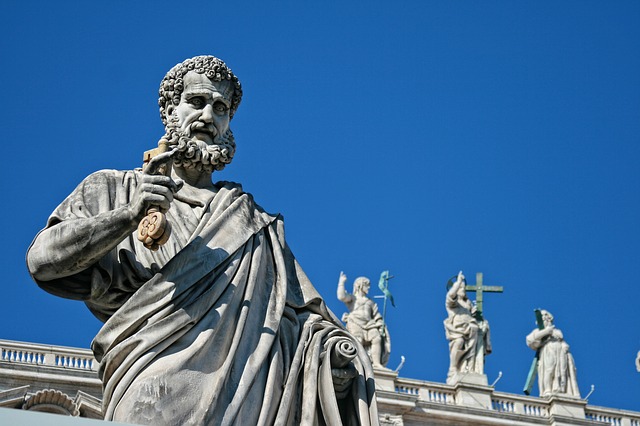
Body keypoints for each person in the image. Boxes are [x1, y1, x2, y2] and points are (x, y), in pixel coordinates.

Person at [27, 55, 378, 425]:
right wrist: (128, 216)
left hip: (248, 398)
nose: (209, 117)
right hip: (150, 388)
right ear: (169, 111)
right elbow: (42, 260)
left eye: (221, 108)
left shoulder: (254, 224)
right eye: (197, 102)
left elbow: (302, 323)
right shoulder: (115, 187)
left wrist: (332, 357)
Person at [337, 272, 390, 369]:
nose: (369, 288)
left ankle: (376, 363)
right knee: (358, 340)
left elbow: (376, 315)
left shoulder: (370, 302)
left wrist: (380, 322)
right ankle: (357, 363)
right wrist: (341, 282)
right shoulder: (353, 298)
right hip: (355, 322)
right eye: (367, 286)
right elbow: (341, 296)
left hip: (370, 324)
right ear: (360, 285)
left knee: (377, 338)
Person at [526, 310, 580, 397]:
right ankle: (548, 389)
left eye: (545, 315)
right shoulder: (538, 330)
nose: (544, 318)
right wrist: (546, 332)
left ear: (549, 318)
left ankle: (562, 390)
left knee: (562, 371)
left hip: (561, 351)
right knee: (549, 370)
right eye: (542, 316)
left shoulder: (557, 330)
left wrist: (565, 345)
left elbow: (561, 340)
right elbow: (530, 340)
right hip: (548, 349)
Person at [443, 271, 481, 383]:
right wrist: (458, 282)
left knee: (472, 349)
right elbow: (450, 295)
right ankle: (453, 367)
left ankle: (469, 368)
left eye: (464, 288)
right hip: (458, 330)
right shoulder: (452, 303)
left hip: (471, 330)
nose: (463, 289)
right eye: (460, 288)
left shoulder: (468, 304)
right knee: (459, 342)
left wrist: (474, 314)